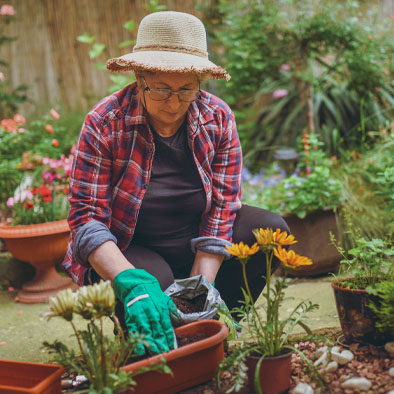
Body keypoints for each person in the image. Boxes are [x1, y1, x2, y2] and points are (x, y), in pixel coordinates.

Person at [62, 11, 290, 355]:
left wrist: (201, 289)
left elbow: (224, 205)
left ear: (200, 81)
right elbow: (86, 219)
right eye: (162, 89)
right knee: (153, 287)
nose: (174, 103)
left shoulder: (217, 118)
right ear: (140, 79)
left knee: (270, 229)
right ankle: (149, 328)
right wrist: (130, 281)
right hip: (131, 250)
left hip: (195, 245)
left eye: (186, 90)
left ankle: (212, 327)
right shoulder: (105, 122)